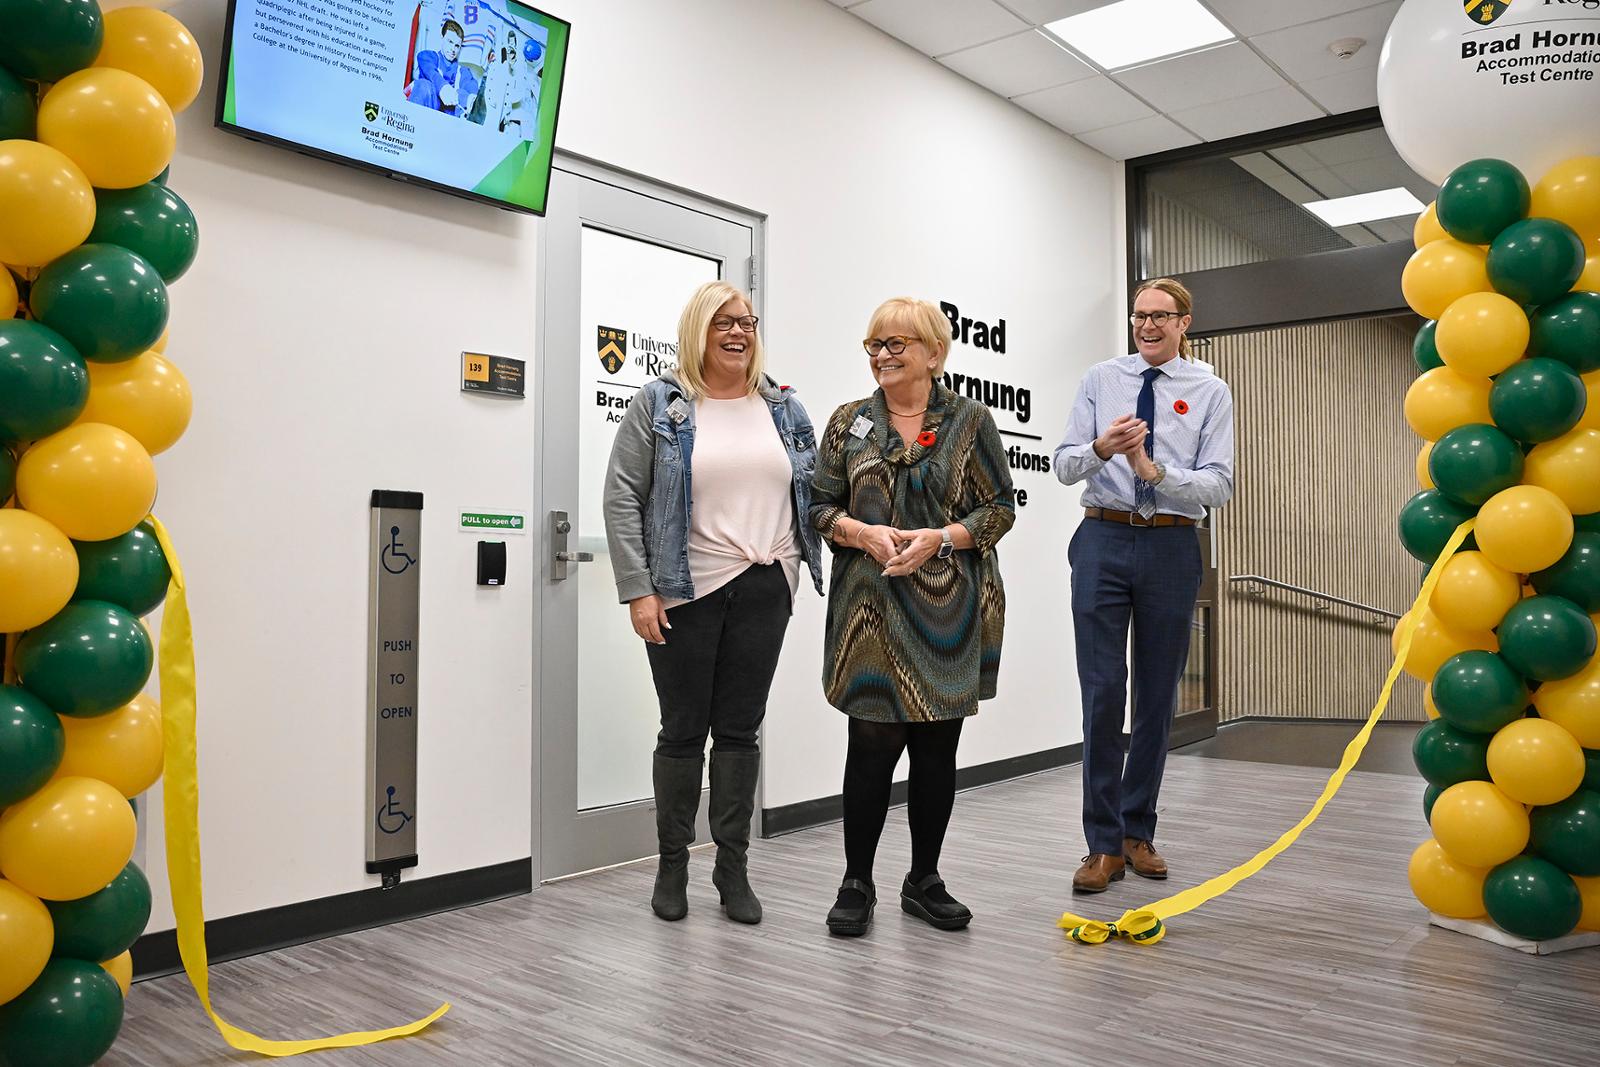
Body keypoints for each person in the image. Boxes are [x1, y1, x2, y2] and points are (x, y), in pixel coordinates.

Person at [603, 281, 824, 925]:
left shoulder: (782, 405)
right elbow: (623, 498)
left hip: (765, 586)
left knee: (738, 731)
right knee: (682, 732)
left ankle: (732, 870)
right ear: (698, 329)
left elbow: (813, 489)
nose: (738, 332)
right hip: (686, 591)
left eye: (747, 322)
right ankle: (672, 866)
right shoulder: (662, 404)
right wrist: (638, 589)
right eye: (724, 322)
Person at [809, 297, 1015, 937]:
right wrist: (855, 532)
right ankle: (856, 881)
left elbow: (999, 509)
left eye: (897, 343)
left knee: (936, 749)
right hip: (869, 610)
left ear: (934, 351)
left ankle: (924, 878)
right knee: (868, 746)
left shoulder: (970, 420)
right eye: (874, 344)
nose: (883, 355)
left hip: (948, 606)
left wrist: (943, 536)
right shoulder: (848, 423)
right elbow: (817, 507)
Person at [1052, 277, 1235, 894]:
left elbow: (1219, 485)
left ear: (1185, 323)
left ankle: (1137, 832)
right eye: (1139, 317)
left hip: (1171, 543)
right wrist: (1104, 447)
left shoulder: (1210, 391)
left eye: (1160, 316)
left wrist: (1156, 471)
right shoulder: (1101, 379)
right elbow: (1063, 464)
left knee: (1156, 697)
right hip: (1102, 539)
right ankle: (1100, 845)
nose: (1148, 326)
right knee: (1103, 694)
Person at [407, 20, 479, 116]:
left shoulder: (463, 71)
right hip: (428, 109)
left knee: (464, 95)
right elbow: (431, 72)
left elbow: (471, 88)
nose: (453, 49)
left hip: (450, 119)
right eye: (450, 41)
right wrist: (443, 88)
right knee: (424, 85)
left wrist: (470, 99)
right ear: (442, 36)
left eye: (457, 46)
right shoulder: (427, 56)